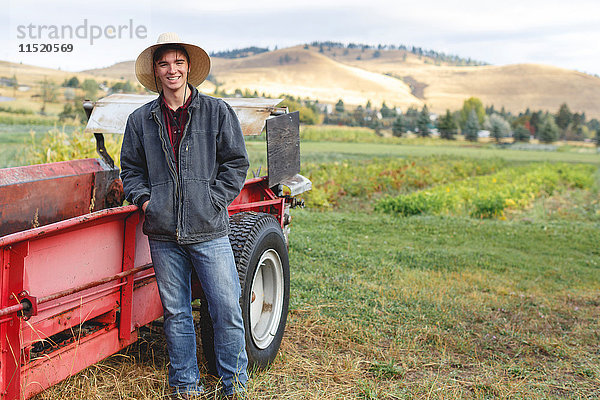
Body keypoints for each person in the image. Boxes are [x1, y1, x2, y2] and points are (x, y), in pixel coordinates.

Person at [120, 32, 249, 399]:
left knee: (226, 310)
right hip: (163, 234)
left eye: (178, 62)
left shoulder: (216, 111)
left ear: (188, 68)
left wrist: (214, 200)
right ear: (156, 71)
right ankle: (184, 387)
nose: (171, 69)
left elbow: (236, 163)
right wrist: (147, 202)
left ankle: (234, 386)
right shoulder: (140, 120)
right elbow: (130, 169)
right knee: (176, 315)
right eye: (164, 63)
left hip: (209, 230)